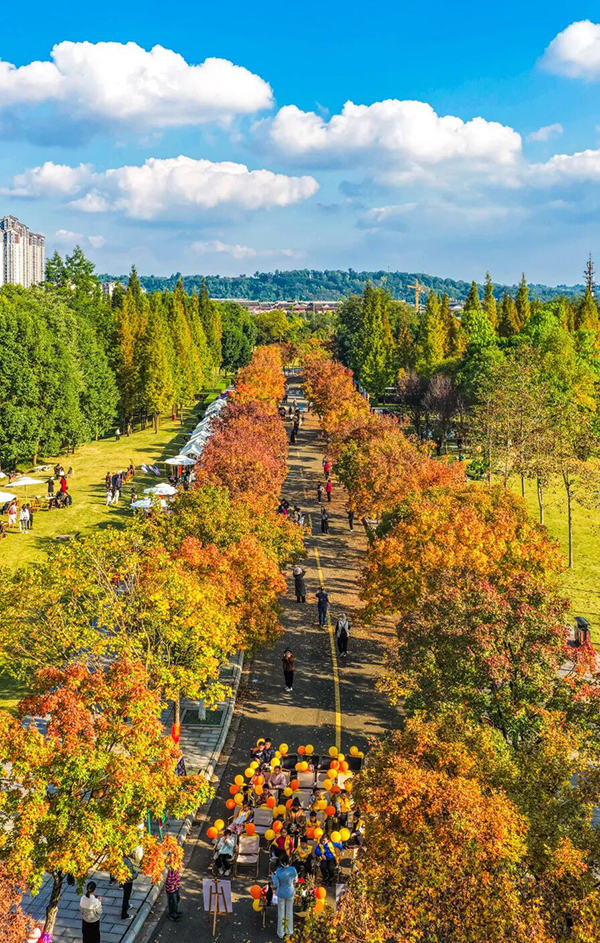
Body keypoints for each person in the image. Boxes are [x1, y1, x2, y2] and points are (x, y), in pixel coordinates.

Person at [272, 853, 298, 940]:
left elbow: (276, 884)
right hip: (290, 892)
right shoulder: (293, 869)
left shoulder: (278, 872)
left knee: (281, 913)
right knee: (289, 911)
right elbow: (296, 880)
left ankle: (281, 932)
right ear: (288, 861)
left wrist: (273, 876)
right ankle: (289, 931)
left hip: (281, 893)